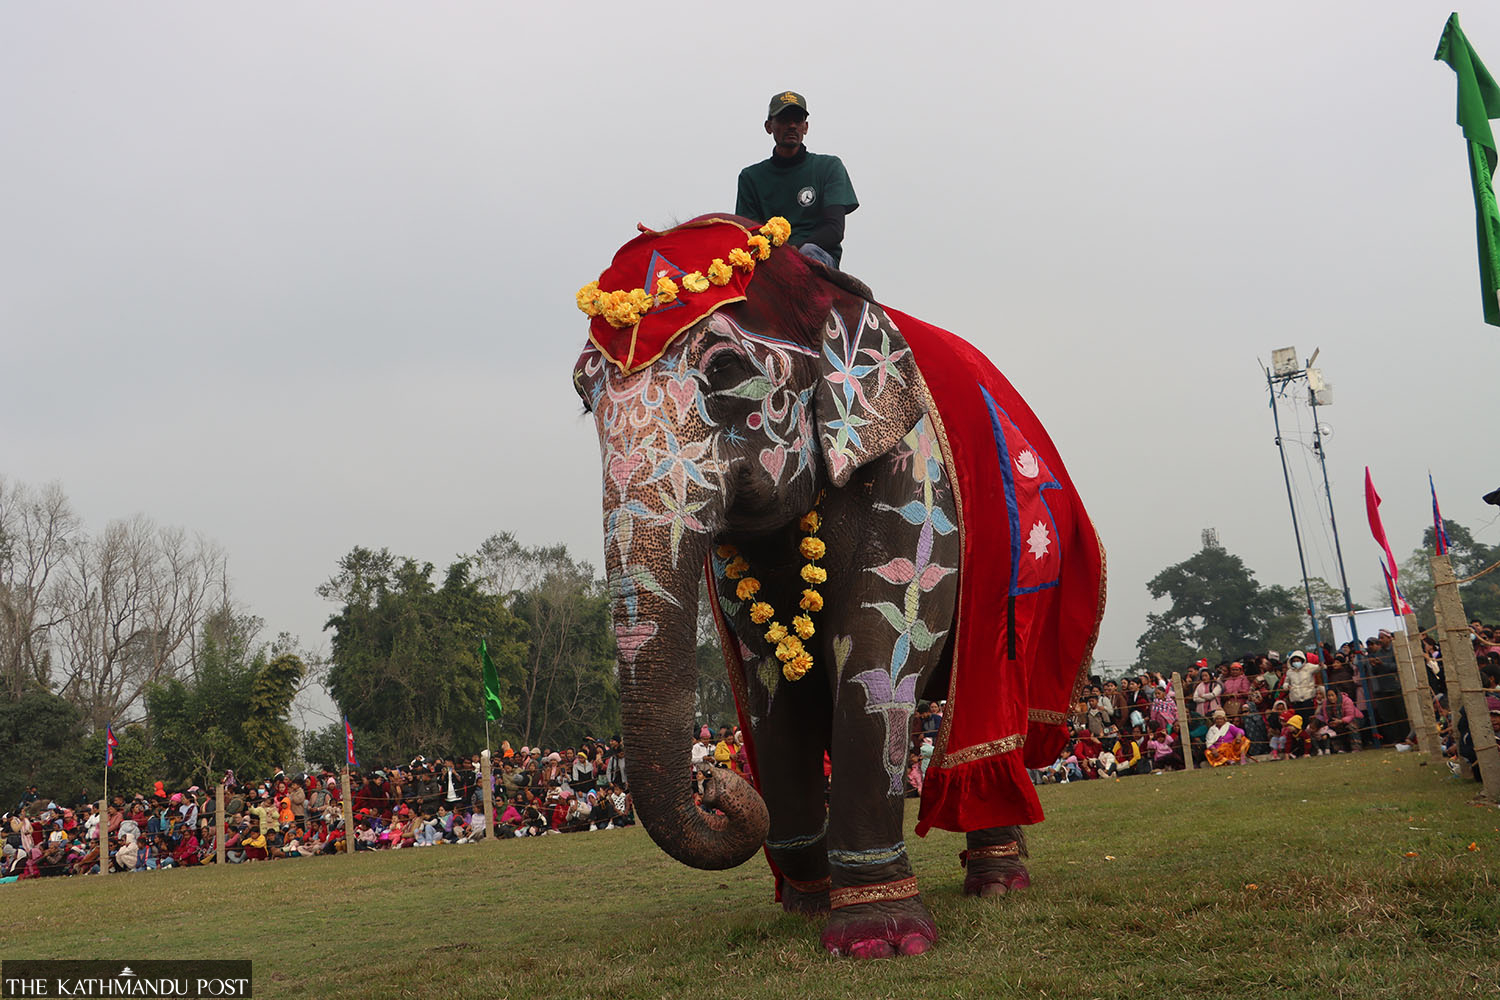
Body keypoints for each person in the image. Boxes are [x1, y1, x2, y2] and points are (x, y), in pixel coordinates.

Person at [735, 91, 859, 268]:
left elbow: (834, 230)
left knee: (809, 251)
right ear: (769, 127)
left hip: (817, 257)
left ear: (805, 127)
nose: (792, 125)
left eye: (798, 120)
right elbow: (749, 234)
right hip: (770, 261)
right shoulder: (750, 177)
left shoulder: (829, 167)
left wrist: (794, 252)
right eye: (784, 120)